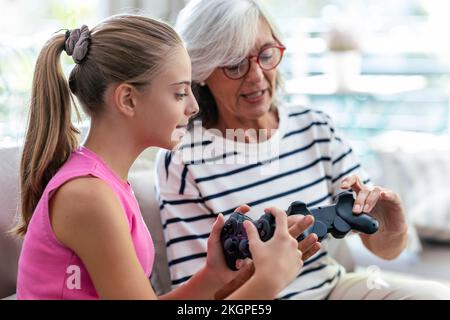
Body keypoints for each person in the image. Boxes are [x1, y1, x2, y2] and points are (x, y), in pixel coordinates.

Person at [155, 0, 450, 299]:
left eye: (266, 54)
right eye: (234, 65)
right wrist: (269, 265)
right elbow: (196, 297)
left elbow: (385, 250)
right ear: (202, 70)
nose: (257, 76)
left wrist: (394, 227)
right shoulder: (183, 158)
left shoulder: (314, 127)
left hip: (334, 288)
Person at [14, 14, 305, 300]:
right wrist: (267, 282)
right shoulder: (87, 196)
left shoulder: (104, 184)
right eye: (180, 93)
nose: (192, 107)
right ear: (128, 99)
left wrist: (213, 275)